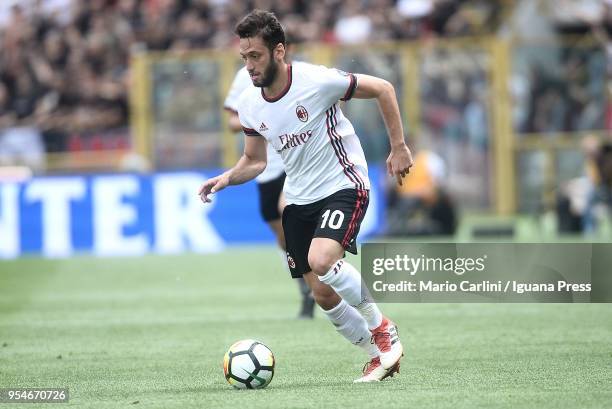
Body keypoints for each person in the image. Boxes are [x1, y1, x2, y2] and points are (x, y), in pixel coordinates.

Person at [199, 10, 414, 383]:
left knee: (322, 259)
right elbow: (254, 160)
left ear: (279, 52)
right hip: (299, 198)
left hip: (343, 184)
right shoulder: (250, 105)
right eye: (244, 58)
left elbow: (384, 89)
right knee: (321, 293)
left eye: (256, 56)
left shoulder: (316, 81)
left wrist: (398, 147)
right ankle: (377, 356)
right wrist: (228, 178)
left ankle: (384, 329)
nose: (249, 67)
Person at [223, 33, 316, 319]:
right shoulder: (245, 78)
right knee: (283, 236)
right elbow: (231, 121)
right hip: (265, 166)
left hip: (296, 160)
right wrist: (261, 119)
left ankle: (320, 280)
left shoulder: (303, 76)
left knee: (287, 210)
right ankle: (306, 288)